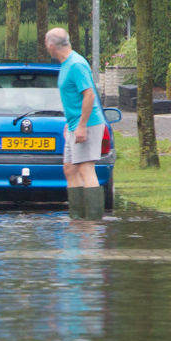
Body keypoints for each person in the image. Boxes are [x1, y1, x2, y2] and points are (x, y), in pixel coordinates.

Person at [46, 26, 106, 219]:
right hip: (74, 124)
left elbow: (89, 94)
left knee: (86, 168)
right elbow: (74, 98)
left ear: (51, 45)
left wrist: (81, 125)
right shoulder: (66, 64)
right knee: (70, 169)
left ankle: (93, 222)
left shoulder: (76, 64)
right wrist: (71, 122)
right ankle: (78, 219)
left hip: (88, 124)